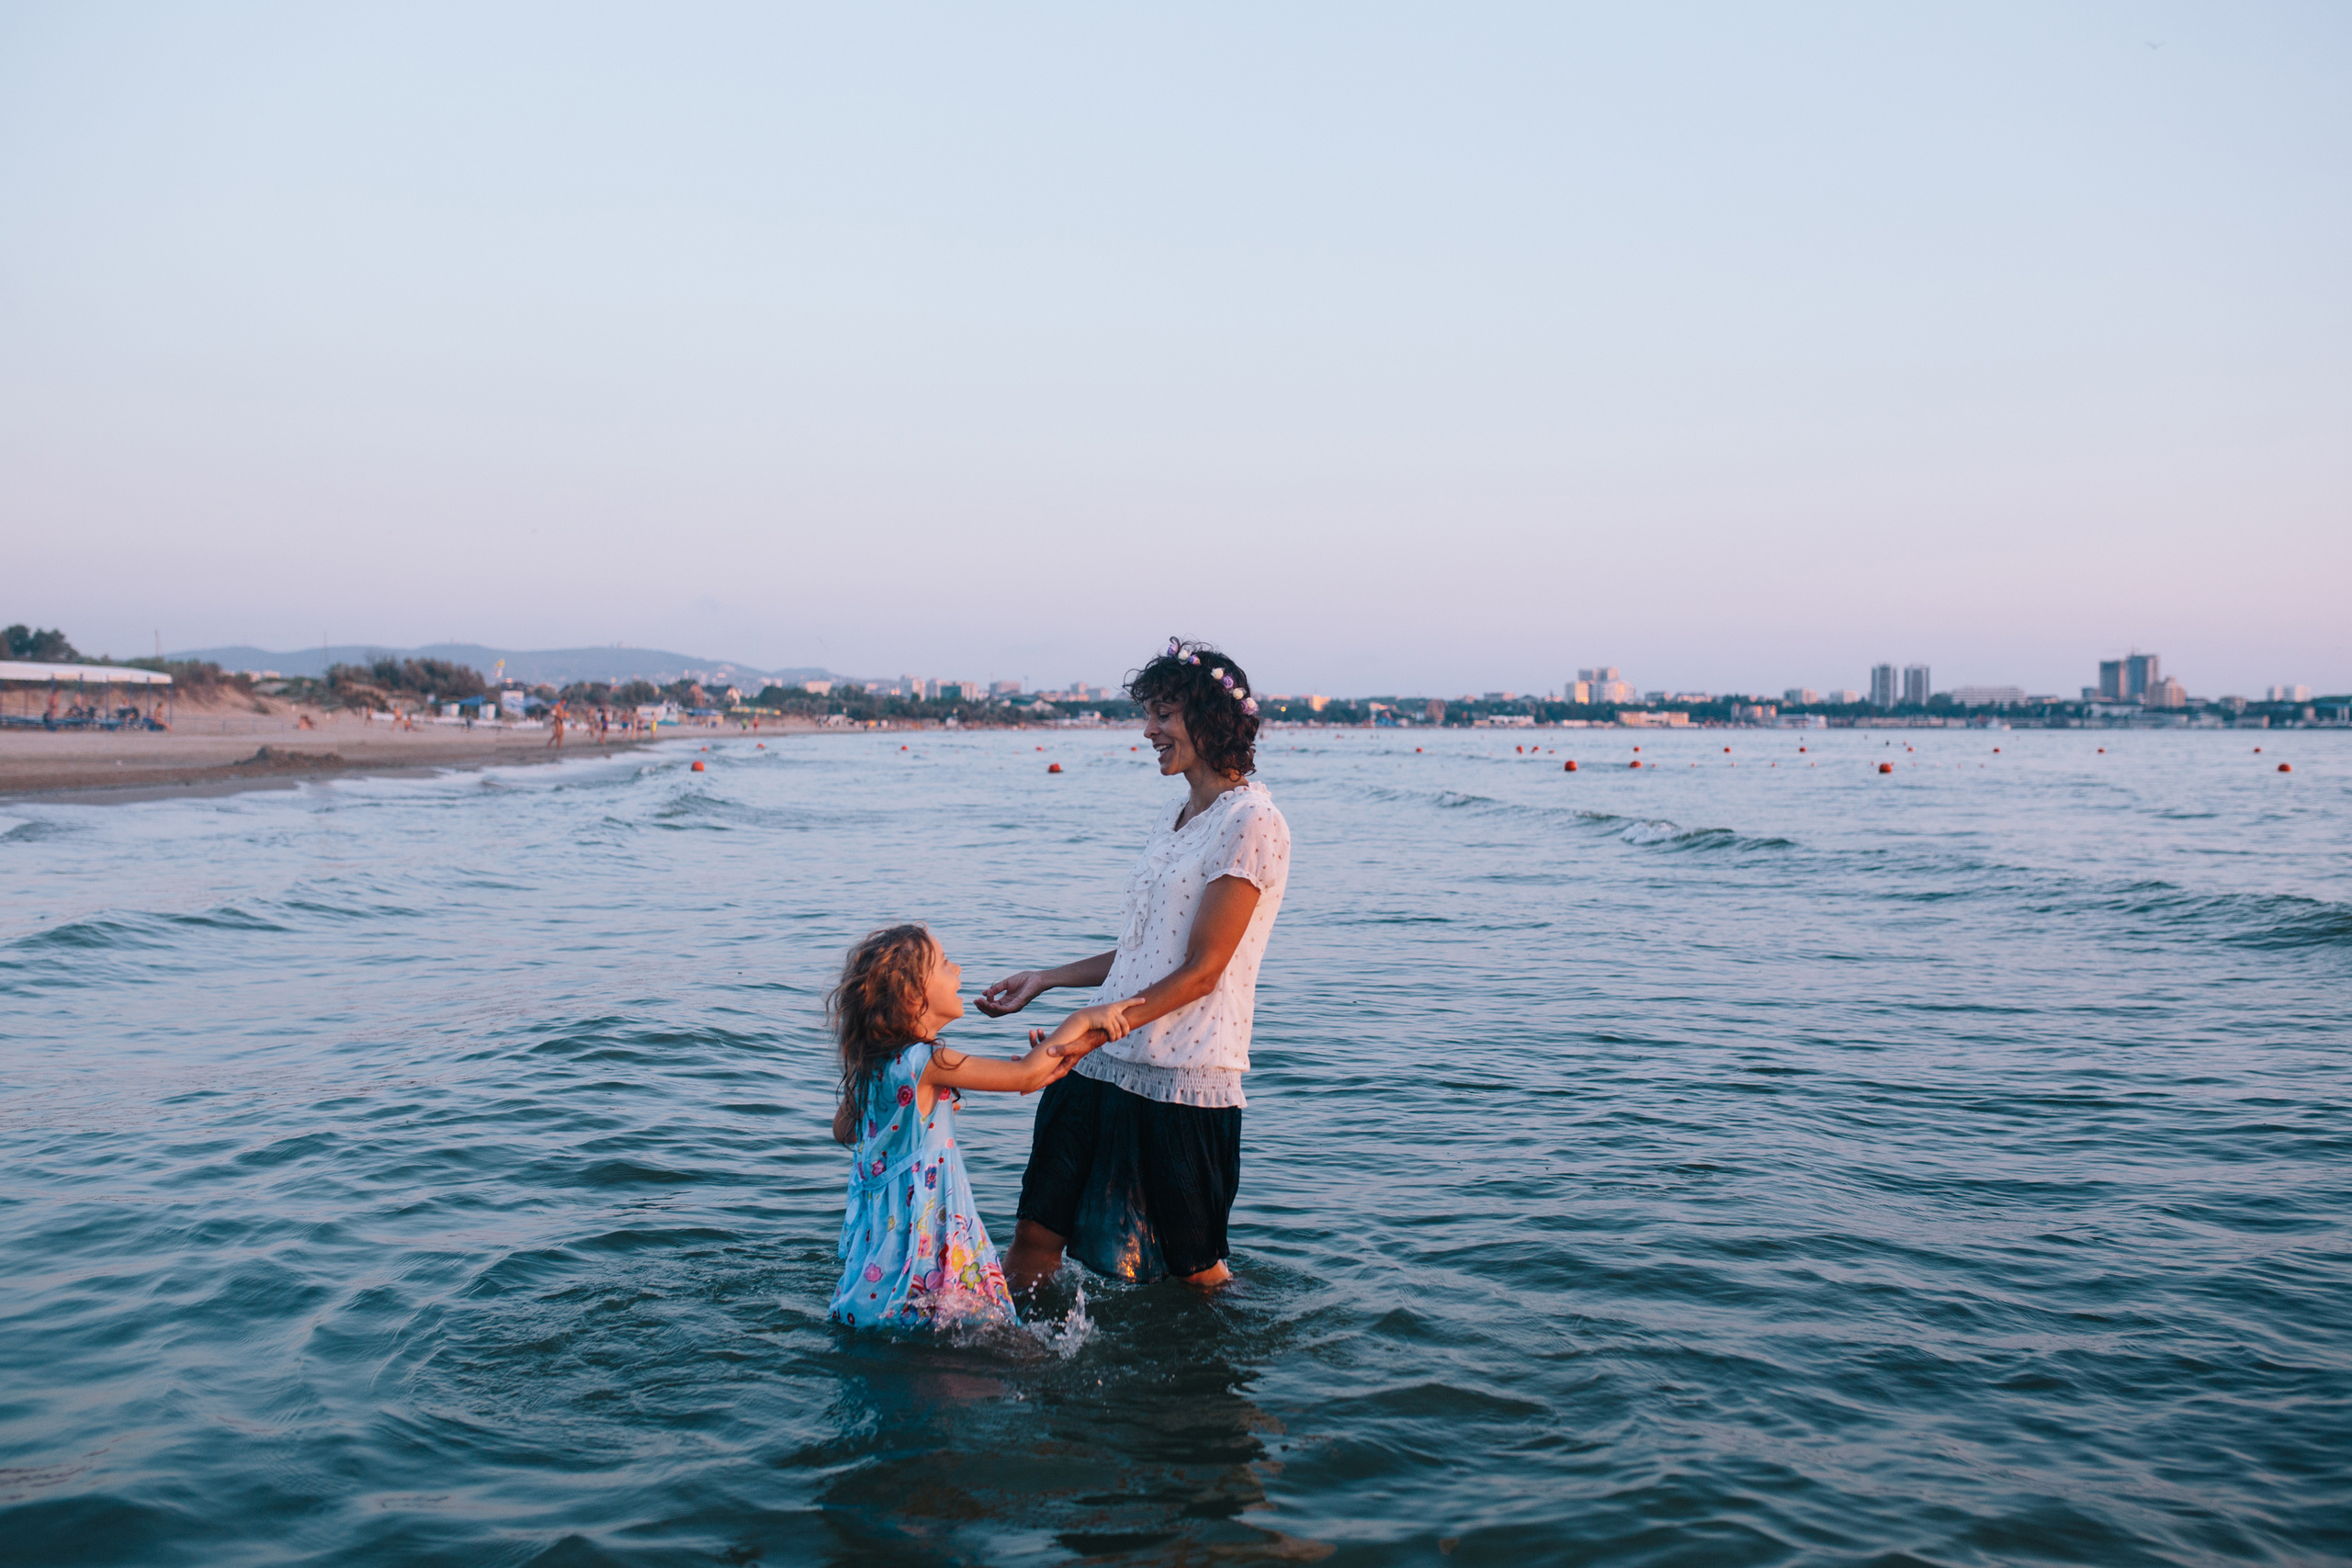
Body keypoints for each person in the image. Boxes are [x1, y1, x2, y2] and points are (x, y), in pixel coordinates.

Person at [978, 637, 1291, 1296]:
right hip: (1098, 1063)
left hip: (1182, 1076)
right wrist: (1048, 978)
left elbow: (1204, 969)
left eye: (1164, 714)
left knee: (1194, 1276)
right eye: (1149, 714)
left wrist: (1098, 1019)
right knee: (1034, 1237)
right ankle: (1023, 1377)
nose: (1148, 729)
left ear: (1210, 718)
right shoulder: (1176, 816)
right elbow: (1148, 953)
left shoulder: (1252, 820)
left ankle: (1208, 1395)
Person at [828, 923, 1135, 1331]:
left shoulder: (875, 1065)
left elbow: (844, 1131)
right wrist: (1082, 1020)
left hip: (889, 1237)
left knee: (911, 1320)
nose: (957, 969)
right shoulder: (928, 1063)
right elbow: (1027, 1076)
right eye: (943, 964)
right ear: (913, 995)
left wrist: (1050, 1059)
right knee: (997, 1342)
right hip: (933, 1229)